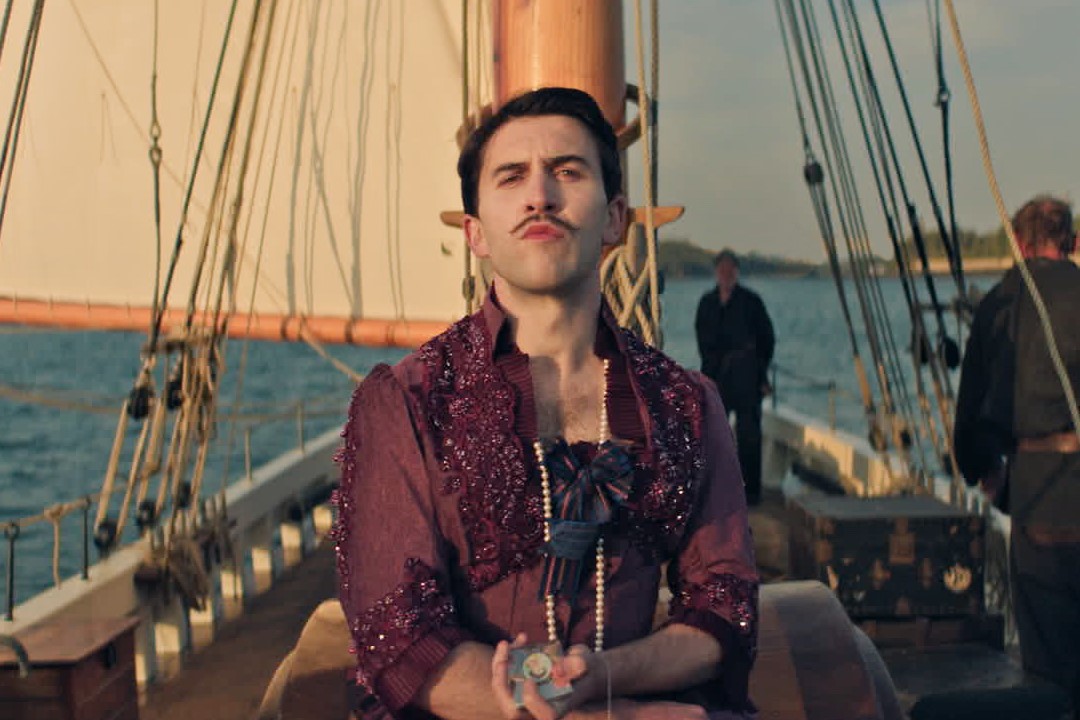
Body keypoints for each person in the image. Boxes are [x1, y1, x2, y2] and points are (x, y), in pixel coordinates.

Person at [333, 87, 758, 720]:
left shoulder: (685, 404)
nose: (540, 195)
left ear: (615, 219)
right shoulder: (407, 403)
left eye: (567, 171)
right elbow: (400, 641)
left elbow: (725, 605)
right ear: (475, 232)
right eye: (512, 177)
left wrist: (607, 679)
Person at [953, 195, 1080, 718]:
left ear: (1021, 244)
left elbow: (974, 413)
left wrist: (987, 469)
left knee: (1049, 670)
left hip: (1039, 496)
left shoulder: (1002, 303)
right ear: (1070, 242)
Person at [694, 250, 775, 506]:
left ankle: (751, 493)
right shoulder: (707, 303)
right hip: (717, 376)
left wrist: (760, 372)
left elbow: (767, 339)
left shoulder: (751, 302)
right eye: (722, 269)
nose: (726, 274)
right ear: (717, 272)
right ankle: (716, 491)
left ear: (736, 272)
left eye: (730, 270)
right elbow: (702, 339)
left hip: (747, 375)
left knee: (750, 434)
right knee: (714, 435)